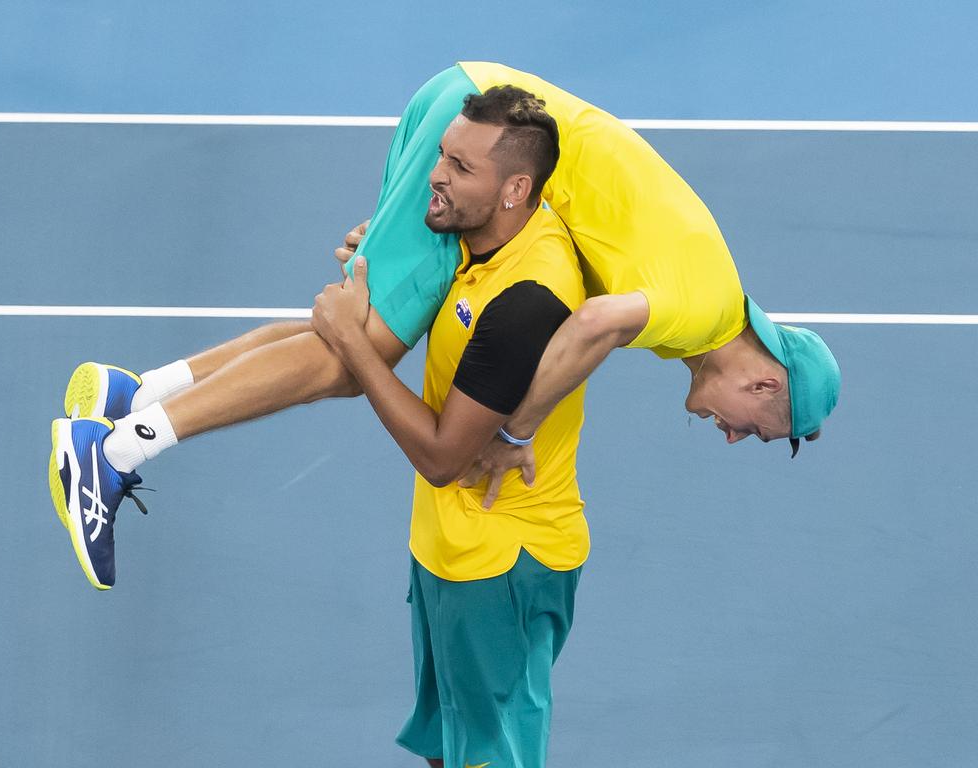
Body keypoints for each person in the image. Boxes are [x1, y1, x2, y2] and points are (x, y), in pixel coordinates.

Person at [48, 62, 840, 590]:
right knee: (347, 358)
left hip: (472, 104)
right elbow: (593, 322)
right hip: (491, 140)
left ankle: (136, 390)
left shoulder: (708, 300)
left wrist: (413, 226)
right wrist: (519, 433)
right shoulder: (701, 311)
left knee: (351, 329)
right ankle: (113, 451)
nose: (737, 436)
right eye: (760, 429)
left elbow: (590, 262)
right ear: (765, 380)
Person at [311, 85, 586, 768]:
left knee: (492, 756)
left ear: (515, 189)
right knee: (451, 747)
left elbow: (442, 456)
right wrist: (381, 265)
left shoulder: (528, 301)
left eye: (461, 169)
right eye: (443, 156)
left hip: (503, 569)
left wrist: (351, 340)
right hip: (448, 549)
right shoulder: (484, 238)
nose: (436, 174)